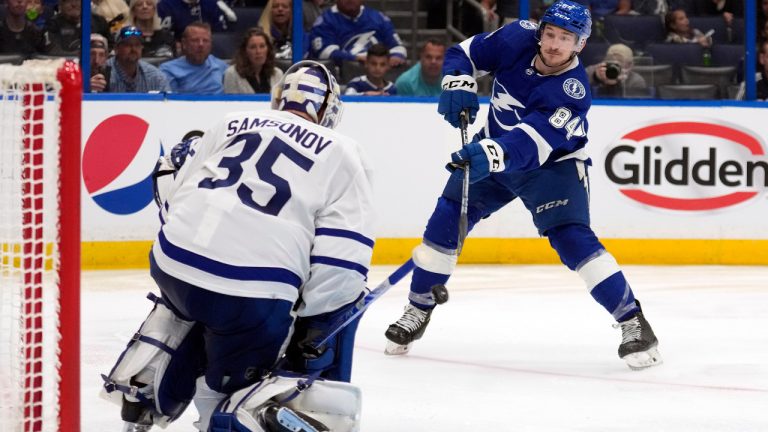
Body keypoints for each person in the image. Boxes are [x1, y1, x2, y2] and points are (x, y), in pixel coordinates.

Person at [384, 0, 662, 371]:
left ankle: (633, 321)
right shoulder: (517, 37)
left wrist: (492, 152)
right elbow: (463, 53)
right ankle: (418, 310)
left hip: (551, 170)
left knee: (572, 240)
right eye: (550, 34)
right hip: (492, 150)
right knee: (446, 219)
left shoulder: (573, 92)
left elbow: (531, 144)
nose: (553, 44)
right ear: (540, 31)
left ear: (580, 45)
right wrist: (458, 80)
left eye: (566, 38)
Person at [101, 59, 373, 432]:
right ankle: (238, 412)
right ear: (327, 109)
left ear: (279, 99)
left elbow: (172, 189)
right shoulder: (342, 150)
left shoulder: (229, 121)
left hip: (171, 262)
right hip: (251, 293)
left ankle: (149, 382)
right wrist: (311, 325)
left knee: (196, 302)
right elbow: (343, 261)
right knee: (260, 352)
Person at [309, 0, 406, 67]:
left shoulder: (378, 18)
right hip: (341, 79)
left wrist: (396, 55)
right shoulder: (326, 20)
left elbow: (398, 47)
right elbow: (324, 53)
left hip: (378, 76)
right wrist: (355, 58)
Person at [159, 22, 228, 93]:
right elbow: (170, 101)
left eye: (205, 41)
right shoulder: (168, 70)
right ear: (184, 43)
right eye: (195, 40)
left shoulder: (222, 67)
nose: (201, 45)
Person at [103, 26, 171, 93]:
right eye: (127, 45)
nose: (133, 49)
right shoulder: (102, 72)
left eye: (137, 45)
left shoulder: (156, 76)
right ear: (116, 48)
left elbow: (167, 101)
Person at [223, 27, 284, 94]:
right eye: (253, 47)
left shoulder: (277, 74)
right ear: (245, 51)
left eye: (262, 46)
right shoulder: (232, 74)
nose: (258, 51)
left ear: (268, 49)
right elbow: (231, 103)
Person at [45, 0, 110, 56]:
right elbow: (53, 51)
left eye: (78, 0)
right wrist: (81, 55)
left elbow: (110, 46)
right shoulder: (53, 24)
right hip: (65, 64)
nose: (73, 4)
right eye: (68, 1)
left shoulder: (99, 21)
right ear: (61, 4)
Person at [157, 0, 229, 40]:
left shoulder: (211, 3)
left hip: (209, 47)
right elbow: (164, 34)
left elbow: (219, 34)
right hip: (179, 50)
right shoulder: (166, 5)